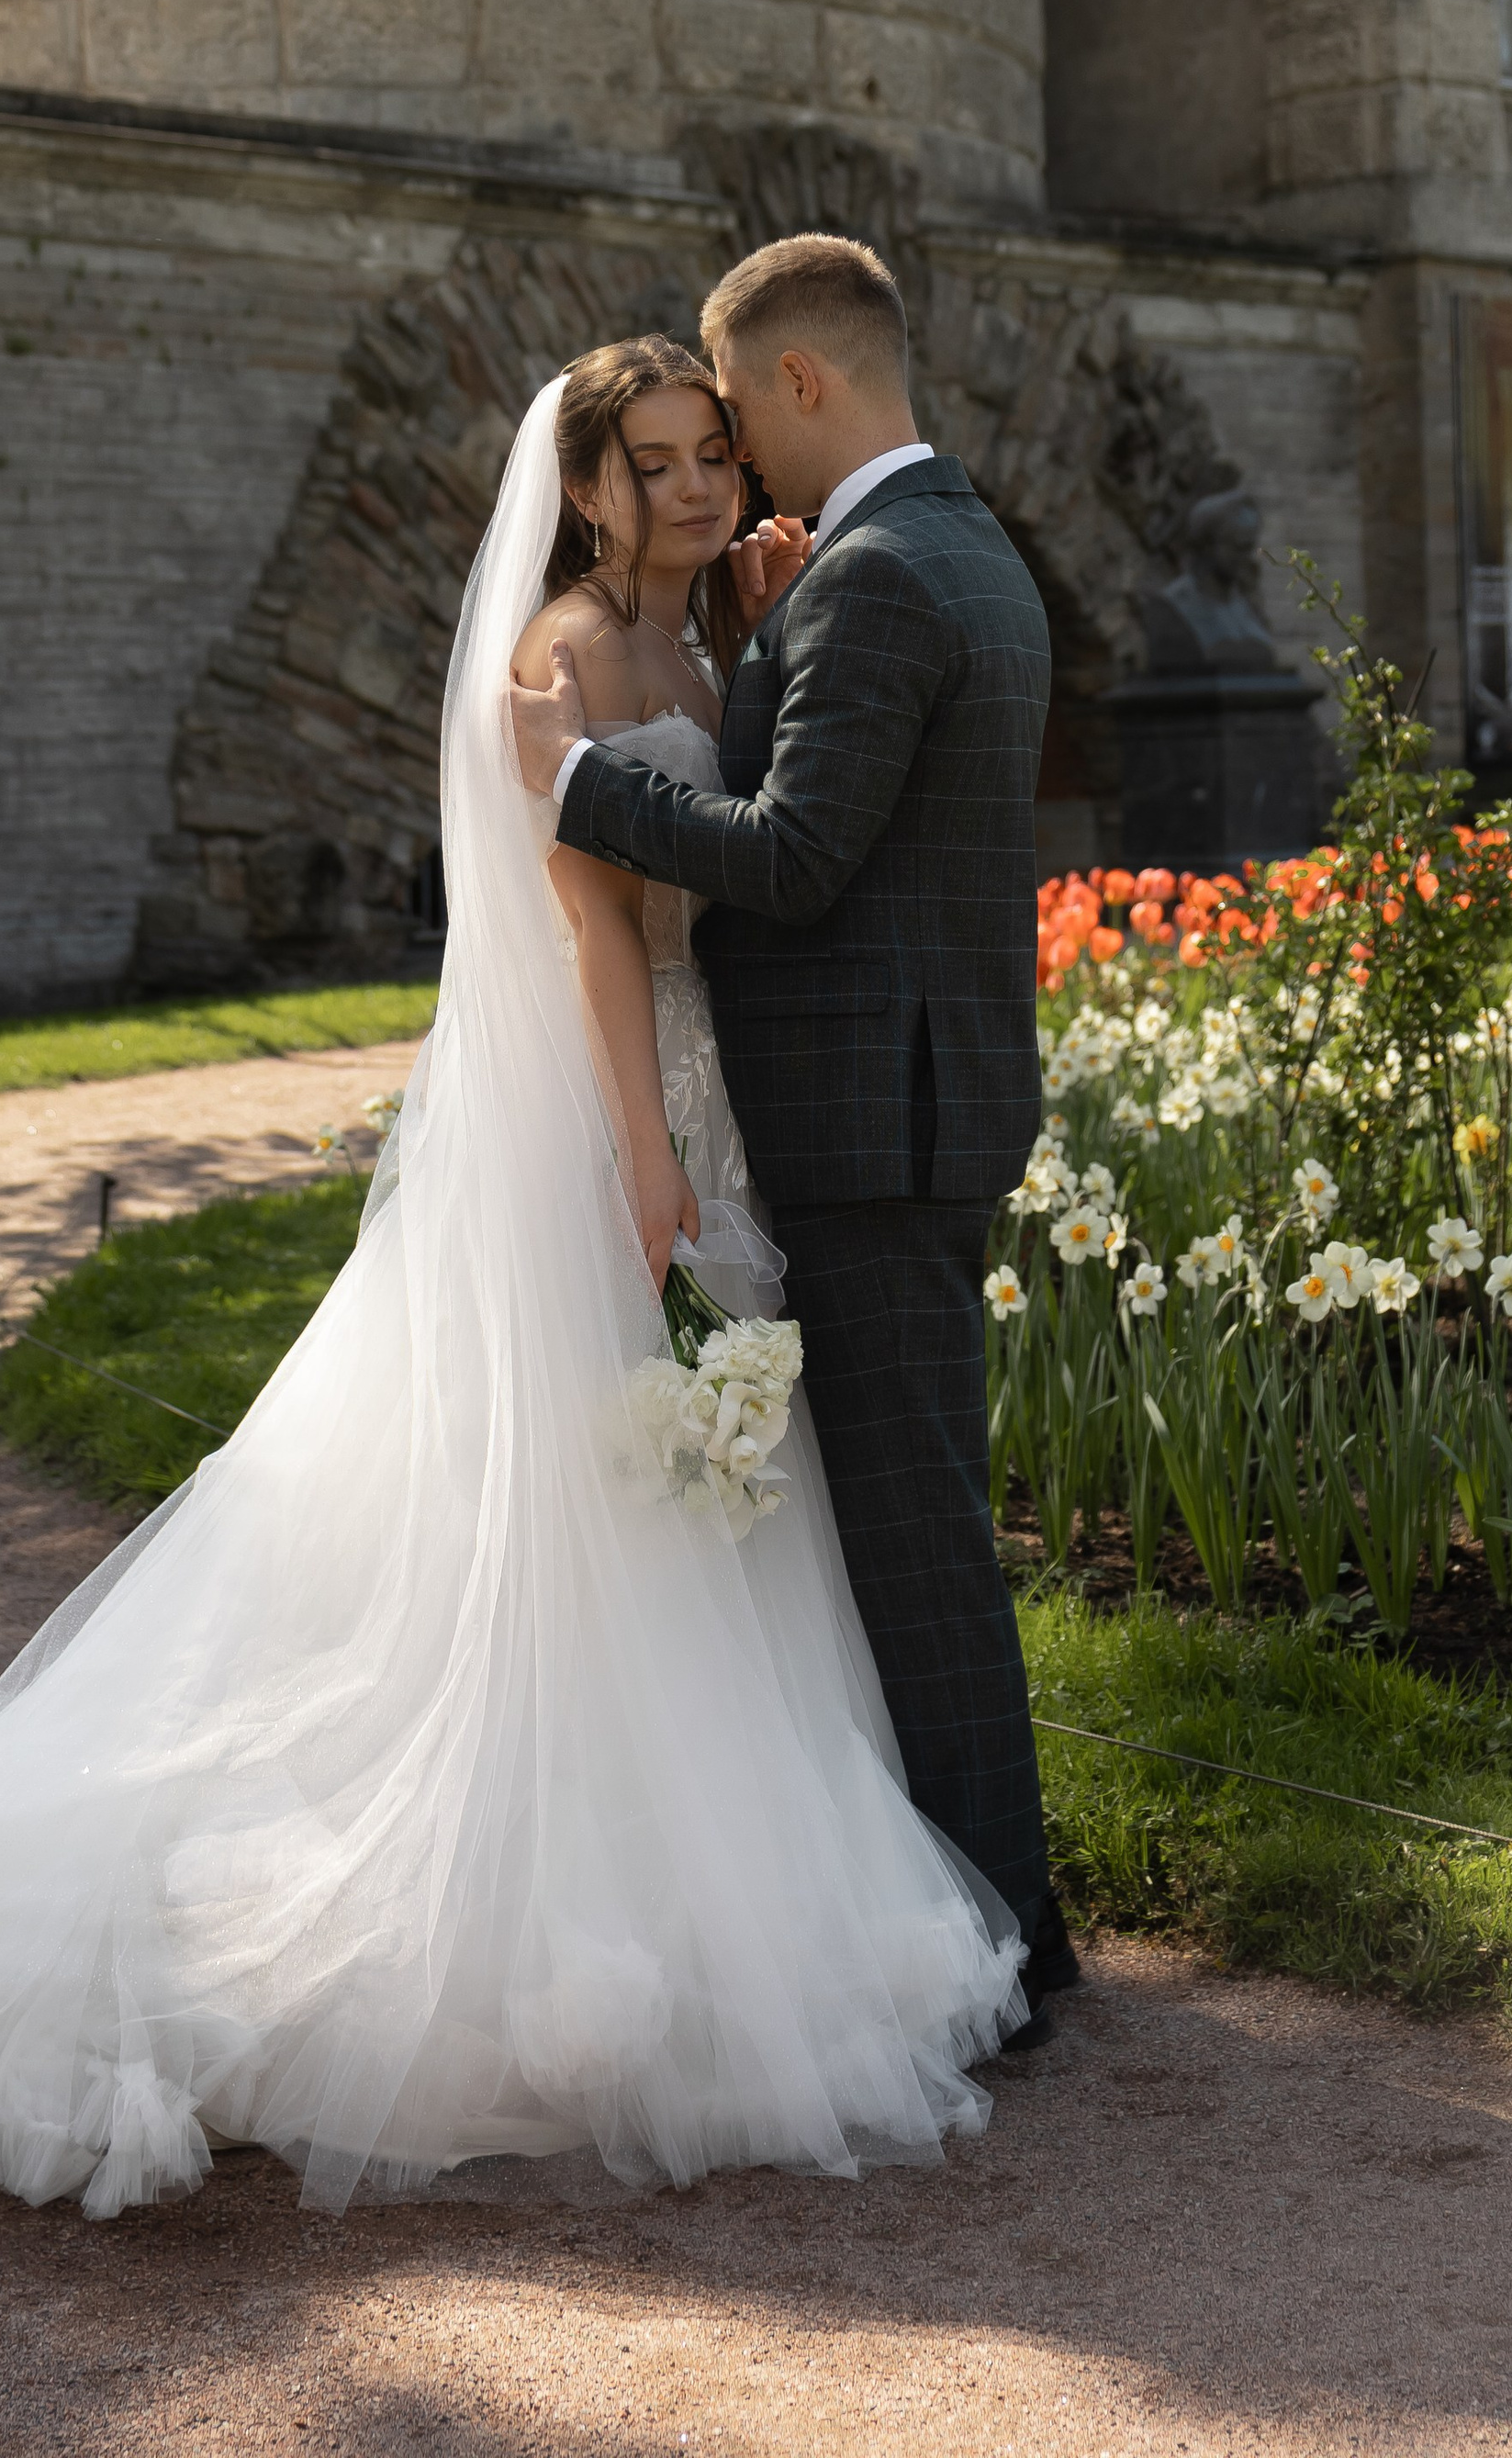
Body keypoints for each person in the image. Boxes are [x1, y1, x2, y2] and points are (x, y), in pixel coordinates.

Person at [0, 323, 1026, 2256]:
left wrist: (757, 615)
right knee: (588, 1492)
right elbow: (591, 943)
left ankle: (692, 1878)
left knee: (699, 1502)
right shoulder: (555, 664)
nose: (695, 485)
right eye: (652, 461)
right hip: (604, 1109)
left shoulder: (723, 631)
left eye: (708, 453)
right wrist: (647, 1152)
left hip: (712, 1095)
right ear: (579, 485)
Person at [510, 233, 1079, 2018]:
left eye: (739, 413)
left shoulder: (877, 579)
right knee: (893, 1531)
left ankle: (1000, 1944)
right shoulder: (954, 553)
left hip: (869, 1126)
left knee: (911, 1546)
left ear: (801, 382)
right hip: (896, 1110)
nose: (729, 460)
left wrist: (580, 781)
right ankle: (974, 1913)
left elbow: (801, 854)